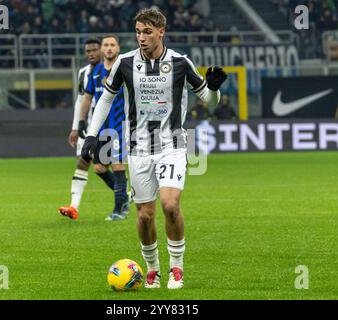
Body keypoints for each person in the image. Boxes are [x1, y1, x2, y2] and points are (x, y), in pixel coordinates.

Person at [81, 8, 227, 289]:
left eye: (147, 31)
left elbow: (208, 101)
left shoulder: (181, 63)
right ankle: (152, 269)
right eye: (138, 32)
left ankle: (176, 268)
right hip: (138, 149)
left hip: (173, 145)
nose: (141, 37)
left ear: (161, 31)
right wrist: (91, 134)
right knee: (145, 214)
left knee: (170, 205)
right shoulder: (124, 63)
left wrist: (215, 88)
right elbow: (106, 100)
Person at [78, 34, 130, 221]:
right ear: (102, 49)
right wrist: (81, 121)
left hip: (119, 125)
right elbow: (88, 97)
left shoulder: (124, 68)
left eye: (112, 45)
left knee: (117, 165)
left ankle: (119, 209)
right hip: (101, 128)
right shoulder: (96, 71)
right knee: (99, 168)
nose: (109, 48)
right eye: (106, 45)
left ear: (118, 49)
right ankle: (125, 197)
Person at [58, 37, 101, 220]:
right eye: (88, 51)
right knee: (82, 161)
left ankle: (126, 196)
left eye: (94, 50)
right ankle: (73, 206)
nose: (91, 53)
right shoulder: (83, 73)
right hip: (87, 126)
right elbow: (80, 100)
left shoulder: (113, 70)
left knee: (104, 167)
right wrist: (76, 126)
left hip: (110, 125)